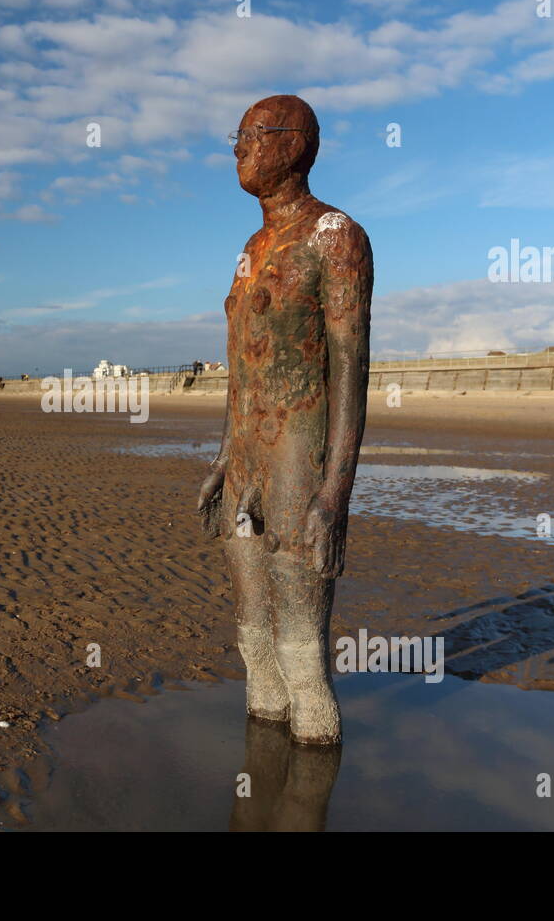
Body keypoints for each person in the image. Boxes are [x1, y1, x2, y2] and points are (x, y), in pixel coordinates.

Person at [198, 95, 373, 745]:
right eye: (237, 136)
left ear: (292, 144)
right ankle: (261, 768)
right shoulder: (250, 248)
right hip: (245, 461)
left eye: (250, 135)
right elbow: (242, 364)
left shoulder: (336, 237)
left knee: (301, 640)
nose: (238, 148)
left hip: (300, 462)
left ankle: (311, 781)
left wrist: (336, 494)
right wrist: (223, 453)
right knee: (251, 628)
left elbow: (351, 370)